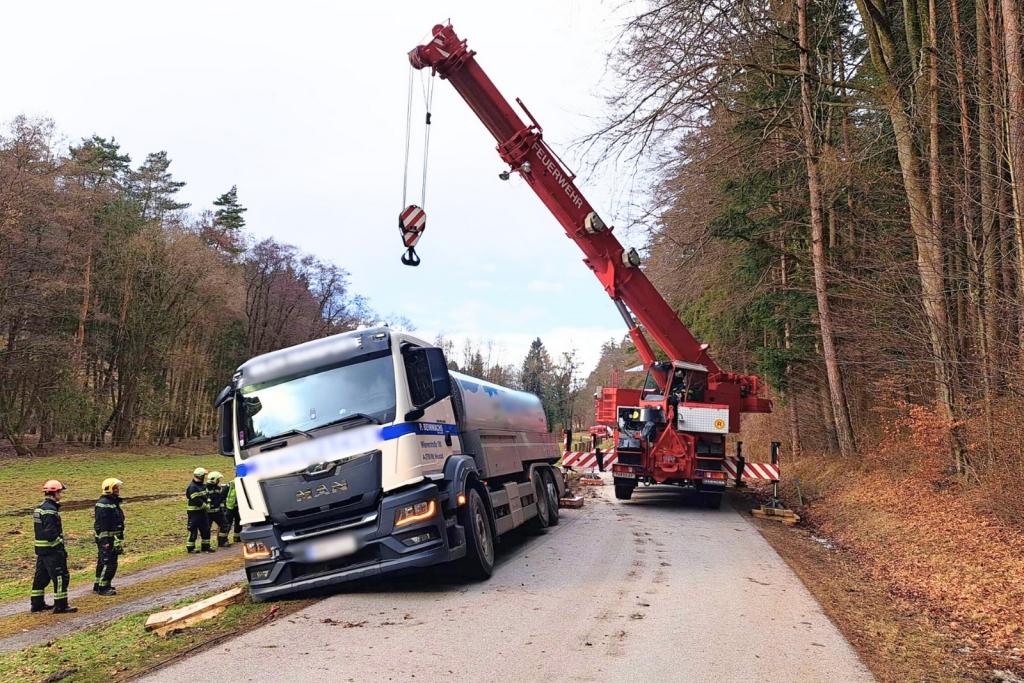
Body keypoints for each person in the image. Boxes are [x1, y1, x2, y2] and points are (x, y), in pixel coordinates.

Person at [30, 480, 76, 614]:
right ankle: (61, 605)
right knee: (61, 577)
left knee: (41, 578)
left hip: (41, 550)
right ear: (55, 492)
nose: (61, 495)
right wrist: (59, 544)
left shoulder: (39, 509)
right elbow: (50, 533)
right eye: (60, 492)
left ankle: (37, 604)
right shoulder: (50, 511)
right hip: (52, 551)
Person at [93, 478, 125, 596]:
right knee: (109, 563)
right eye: (116, 487)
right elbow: (102, 525)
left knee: (102, 562)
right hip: (107, 539)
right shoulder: (105, 504)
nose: (118, 490)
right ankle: (103, 587)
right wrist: (106, 541)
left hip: (110, 538)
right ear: (110, 489)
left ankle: (98, 584)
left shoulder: (110, 502)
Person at [185, 468, 213, 553]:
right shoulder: (192, 487)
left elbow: (207, 496)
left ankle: (205, 546)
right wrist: (205, 505)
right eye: (204, 475)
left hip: (202, 512)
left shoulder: (202, 486)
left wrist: (208, 502)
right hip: (194, 513)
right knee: (193, 529)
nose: (205, 477)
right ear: (201, 476)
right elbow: (196, 500)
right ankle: (190, 548)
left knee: (206, 529)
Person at [206, 471, 228, 548]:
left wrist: (222, 509)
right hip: (208, 513)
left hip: (218, 512)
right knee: (206, 529)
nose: (219, 481)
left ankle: (222, 542)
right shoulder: (205, 488)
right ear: (214, 479)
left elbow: (220, 500)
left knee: (225, 525)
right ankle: (206, 545)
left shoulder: (218, 488)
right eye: (218, 479)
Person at [224, 478, 242, 545]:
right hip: (229, 508)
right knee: (228, 523)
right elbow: (223, 496)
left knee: (238, 522)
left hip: (237, 508)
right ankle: (224, 539)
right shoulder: (230, 486)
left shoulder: (241, 485)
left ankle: (237, 538)